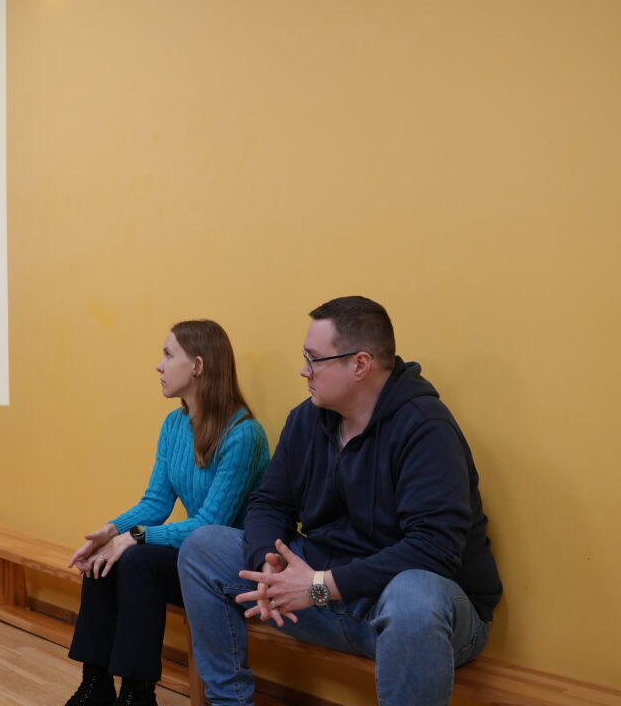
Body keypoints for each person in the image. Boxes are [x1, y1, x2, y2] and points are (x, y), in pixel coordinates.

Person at [178, 296, 502, 706]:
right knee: (203, 547)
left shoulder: (426, 428)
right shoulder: (306, 419)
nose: (304, 370)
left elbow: (433, 550)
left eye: (314, 359)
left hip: (415, 615)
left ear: (360, 364)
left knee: (413, 595)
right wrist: (268, 563)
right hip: (320, 595)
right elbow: (270, 503)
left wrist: (318, 587)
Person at [64, 319, 270, 706]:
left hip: (233, 565)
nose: (158, 365)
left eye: (168, 355)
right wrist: (111, 532)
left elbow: (211, 526)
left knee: (136, 559)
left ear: (198, 365)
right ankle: (95, 686)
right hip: (194, 555)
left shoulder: (243, 434)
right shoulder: (174, 425)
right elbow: (156, 503)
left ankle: (137, 694)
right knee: (104, 558)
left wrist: (136, 537)